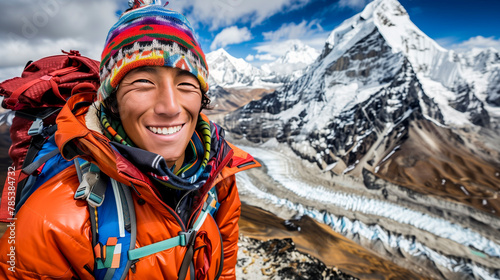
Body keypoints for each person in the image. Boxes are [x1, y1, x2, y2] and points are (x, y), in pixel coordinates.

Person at [0, 1, 260, 279]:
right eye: (143, 83)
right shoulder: (53, 223)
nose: (170, 107)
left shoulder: (218, 177)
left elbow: (224, 267)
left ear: (202, 98)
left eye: (186, 84)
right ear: (111, 102)